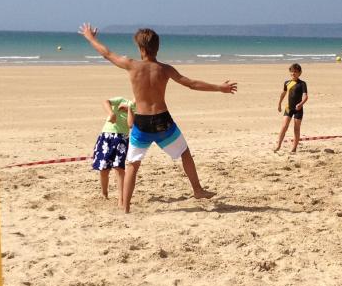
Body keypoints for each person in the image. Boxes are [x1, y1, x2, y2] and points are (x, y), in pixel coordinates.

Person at [79, 23, 234, 213]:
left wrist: (90, 38)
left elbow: (107, 54)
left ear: (140, 48)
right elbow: (191, 84)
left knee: (133, 165)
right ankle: (197, 190)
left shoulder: (131, 65)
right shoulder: (165, 69)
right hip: (163, 121)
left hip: (141, 123)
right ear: (157, 48)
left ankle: (126, 207)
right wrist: (219, 87)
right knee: (184, 153)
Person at [92, 96, 134, 199]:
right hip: (106, 136)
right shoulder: (121, 100)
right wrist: (111, 113)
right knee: (103, 168)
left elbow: (131, 124)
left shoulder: (138, 108)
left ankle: (121, 198)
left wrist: (129, 110)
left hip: (122, 138)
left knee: (119, 168)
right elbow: (105, 101)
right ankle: (104, 194)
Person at [274, 64, 309, 153]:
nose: (293, 73)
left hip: (298, 109)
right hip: (288, 108)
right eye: (292, 71)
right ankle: (278, 145)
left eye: (296, 72)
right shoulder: (287, 83)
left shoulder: (302, 84)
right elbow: (283, 93)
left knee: (296, 129)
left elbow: (305, 96)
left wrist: (301, 104)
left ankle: (294, 148)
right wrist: (279, 104)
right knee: (284, 126)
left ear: (300, 73)